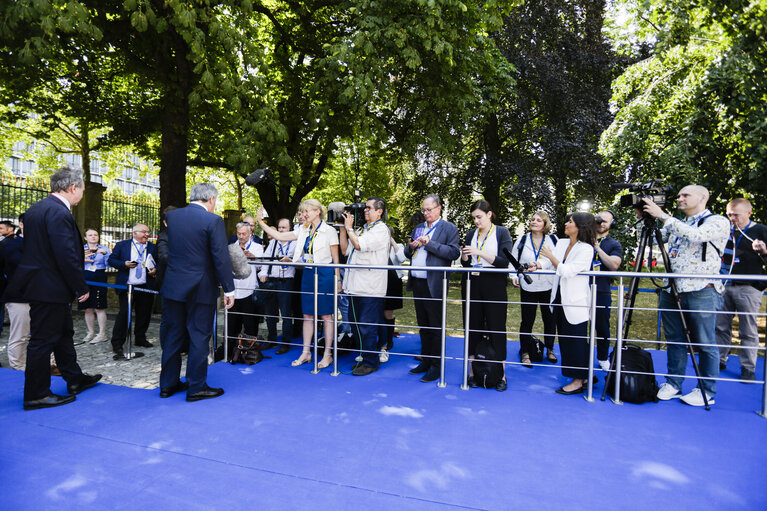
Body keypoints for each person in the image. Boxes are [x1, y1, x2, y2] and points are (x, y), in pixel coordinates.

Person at [7, 166, 101, 410]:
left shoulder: (36, 209)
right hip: (50, 287)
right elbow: (65, 255)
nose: (81, 194)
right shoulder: (58, 213)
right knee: (42, 341)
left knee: (63, 336)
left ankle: (74, 379)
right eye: (81, 188)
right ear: (72, 187)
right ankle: (36, 394)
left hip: (44, 285)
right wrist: (81, 287)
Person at [641, 185, 729, 406]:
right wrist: (646, 216)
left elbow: (697, 236)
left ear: (702, 198)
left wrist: (662, 215)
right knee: (674, 339)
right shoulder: (679, 223)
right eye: (678, 195)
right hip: (672, 289)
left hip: (702, 290)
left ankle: (706, 390)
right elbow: (654, 240)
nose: (679, 199)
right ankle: (673, 383)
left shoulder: (717, 221)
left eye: (685, 195)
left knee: (705, 342)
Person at [160, 183, 235, 401]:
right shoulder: (213, 220)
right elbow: (220, 257)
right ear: (211, 199)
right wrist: (228, 288)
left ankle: (168, 385)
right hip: (201, 288)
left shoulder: (173, 217)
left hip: (174, 285)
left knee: (173, 336)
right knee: (199, 337)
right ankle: (196, 387)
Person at [257, 199, 341, 369]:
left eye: (307, 211)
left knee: (326, 316)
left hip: (325, 274)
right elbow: (279, 236)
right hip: (308, 273)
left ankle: (327, 355)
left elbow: (336, 258)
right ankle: (306, 352)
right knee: (307, 315)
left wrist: (338, 279)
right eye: (303, 211)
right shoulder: (302, 230)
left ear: (318, 211)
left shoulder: (330, 231)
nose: (304, 214)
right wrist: (260, 223)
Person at [534, 212, 597, 395]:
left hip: (576, 302)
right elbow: (548, 262)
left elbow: (567, 271)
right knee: (566, 341)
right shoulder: (562, 243)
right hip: (559, 299)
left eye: (570, 221)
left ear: (580, 226)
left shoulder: (586, 249)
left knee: (575, 341)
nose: (566, 223)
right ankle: (585, 375)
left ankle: (578, 381)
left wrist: (550, 258)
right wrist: (536, 264)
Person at [404, 194, 460, 383]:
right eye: (424, 210)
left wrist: (430, 244)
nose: (426, 213)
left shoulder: (449, 228)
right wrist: (411, 247)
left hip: (435, 283)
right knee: (423, 324)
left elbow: (453, 253)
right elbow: (407, 251)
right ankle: (426, 361)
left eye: (429, 209)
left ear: (439, 208)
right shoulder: (419, 227)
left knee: (435, 325)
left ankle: (436, 365)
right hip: (418, 281)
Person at [460, 200, 513, 391]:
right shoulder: (470, 234)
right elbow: (465, 264)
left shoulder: (501, 232)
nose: (476, 221)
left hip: (494, 284)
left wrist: (479, 252)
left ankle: (501, 375)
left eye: (479, 217)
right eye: (474, 217)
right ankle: (473, 373)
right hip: (472, 284)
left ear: (489, 215)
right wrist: (465, 255)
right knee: (472, 327)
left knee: (496, 328)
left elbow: (504, 262)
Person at [716, 198, 767, 381]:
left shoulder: (761, 231)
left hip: (748, 288)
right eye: (729, 214)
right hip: (724, 285)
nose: (732, 218)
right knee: (720, 326)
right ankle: (719, 359)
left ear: (749, 213)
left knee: (748, 330)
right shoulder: (725, 231)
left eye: (736, 214)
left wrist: (764, 251)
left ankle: (748, 368)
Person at [339, 197, 390, 376]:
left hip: (370, 287)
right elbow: (345, 250)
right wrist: (343, 229)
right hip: (354, 286)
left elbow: (360, 245)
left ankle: (370, 362)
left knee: (367, 327)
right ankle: (364, 356)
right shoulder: (362, 229)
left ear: (379, 212)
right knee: (355, 325)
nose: (364, 211)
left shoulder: (381, 230)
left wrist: (350, 228)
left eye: (368, 208)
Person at [511, 211, 559, 367]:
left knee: (549, 319)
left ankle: (550, 349)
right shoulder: (522, 239)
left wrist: (540, 264)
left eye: (539, 220)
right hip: (528, 286)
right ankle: (525, 352)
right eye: (532, 219)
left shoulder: (553, 239)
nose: (534, 222)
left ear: (545, 224)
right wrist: (514, 276)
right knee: (527, 320)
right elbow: (513, 261)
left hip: (548, 285)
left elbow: (557, 260)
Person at [108, 223, 157, 359]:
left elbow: (158, 262)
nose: (147, 235)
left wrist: (155, 269)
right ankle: (117, 343)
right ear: (134, 233)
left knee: (144, 314)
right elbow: (111, 260)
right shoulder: (122, 245)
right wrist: (123, 264)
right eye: (144, 232)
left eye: (148, 232)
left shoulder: (152, 247)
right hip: (127, 286)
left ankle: (140, 338)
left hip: (145, 286)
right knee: (124, 314)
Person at [258, 217, 296, 355]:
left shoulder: (294, 243)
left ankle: (285, 343)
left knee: (286, 313)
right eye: (279, 227)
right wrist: (262, 274)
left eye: (284, 228)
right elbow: (264, 261)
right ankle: (272, 339)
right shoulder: (273, 242)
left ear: (290, 229)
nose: (281, 230)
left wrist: (290, 260)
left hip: (286, 281)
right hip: (271, 281)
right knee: (270, 313)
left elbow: (299, 260)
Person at [592, 210, 623, 370]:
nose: (601, 223)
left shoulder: (614, 244)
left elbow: (613, 266)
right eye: (599, 220)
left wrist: (597, 247)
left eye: (605, 221)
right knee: (579, 325)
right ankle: (581, 356)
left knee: (602, 326)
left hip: (602, 291)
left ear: (612, 224)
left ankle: (603, 357)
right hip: (580, 290)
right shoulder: (582, 240)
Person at [0, 215, 28, 370]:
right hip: (18, 297)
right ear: (21, 224)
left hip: (44, 296)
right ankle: (19, 368)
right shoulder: (8, 245)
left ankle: (49, 364)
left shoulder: (46, 244)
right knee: (20, 335)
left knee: (45, 334)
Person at [228, 222, 262, 344]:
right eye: (239, 233)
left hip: (249, 289)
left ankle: (250, 350)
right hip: (234, 289)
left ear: (250, 233)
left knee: (250, 323)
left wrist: (252, 256)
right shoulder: (232, 246)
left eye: (244, 234)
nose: (241, 236)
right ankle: (232, 349)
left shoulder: (257, 247)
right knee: (232, 323)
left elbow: (261, 266)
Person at [379, 224, 407, 363]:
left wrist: (392, 242)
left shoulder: (399, 246)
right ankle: (379, 340)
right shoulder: (377, 247)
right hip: (378, 281)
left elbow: (402, 258)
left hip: (393, 282)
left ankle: (388, 340)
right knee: (377, 311)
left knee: (388, 313)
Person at [79, 228, 111, 344]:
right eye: (90, 235)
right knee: (87, 308)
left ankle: (102, 333)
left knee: (99, 306)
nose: (93, 237)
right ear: (85, 237)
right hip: (85, 277)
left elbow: (109, 264)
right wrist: (82, 259)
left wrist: (105, 254)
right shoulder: (80, 249)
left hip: (99, 276)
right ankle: (90, 332)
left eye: (95, 235)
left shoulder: (105, 249)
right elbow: (73, 263)